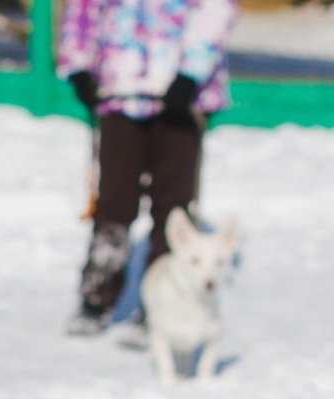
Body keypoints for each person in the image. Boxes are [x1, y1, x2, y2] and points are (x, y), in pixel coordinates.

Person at [59, 0, 238, 334]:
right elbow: (82, 8)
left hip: (182, 97)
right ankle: (96, 296)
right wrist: (79, 65)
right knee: (114, 201)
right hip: (119, 92)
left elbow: (216, 9)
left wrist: (190, 72)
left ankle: (163, 301)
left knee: (174, 207)